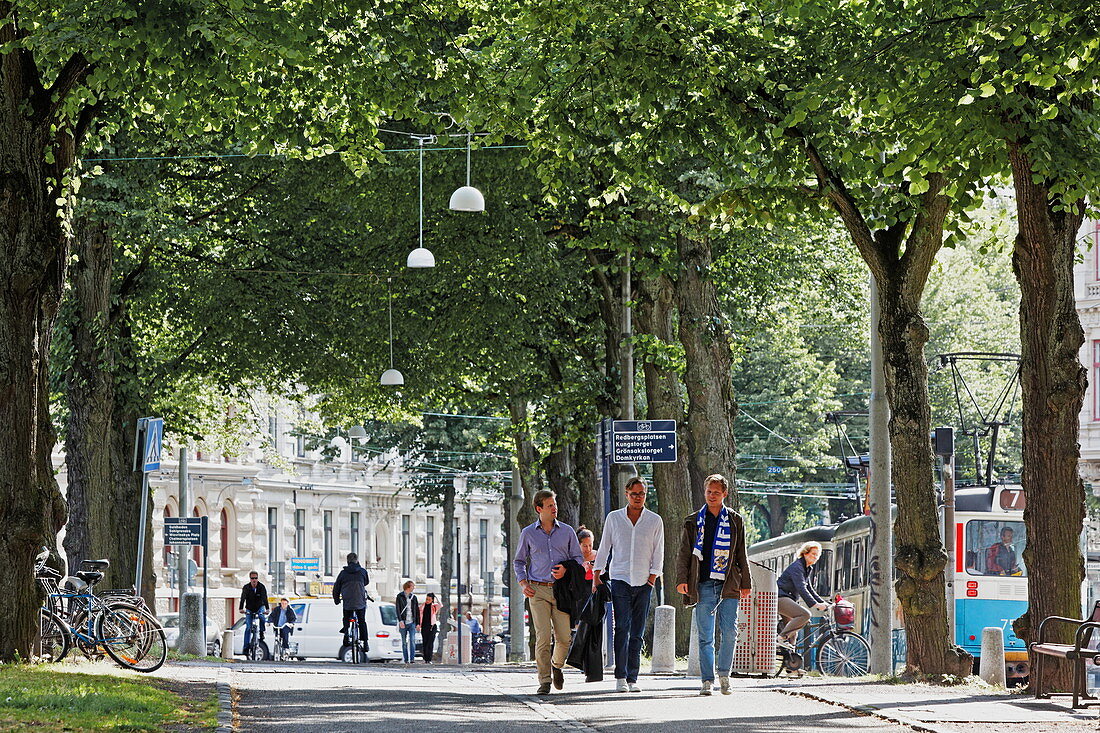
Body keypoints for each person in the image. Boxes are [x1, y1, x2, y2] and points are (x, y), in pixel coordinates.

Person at [675, 474, 751, 697]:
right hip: (703, 584)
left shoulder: (735, 520)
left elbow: (741, 553)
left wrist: (746, 582)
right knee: (705, 635)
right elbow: (684, 554)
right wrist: (681, 580)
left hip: (729, 585)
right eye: (709, 492)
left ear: (725, 494)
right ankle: (707, 680)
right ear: (704, 492)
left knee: (729, 632)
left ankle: (725, 675)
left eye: (716, 492)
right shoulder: (693, 520)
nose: (712, 496)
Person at [593, 476, 664, 693]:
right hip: (620, 578)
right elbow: (604, 546)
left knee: (637, 630)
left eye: (642, 494)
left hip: (644, 581)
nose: (638, 498)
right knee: (621, 627)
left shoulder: (654, 520)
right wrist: (598, 573)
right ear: (627, 494)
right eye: (634, 494)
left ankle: (633, 677)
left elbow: (659, 551)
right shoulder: (614, 518)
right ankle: (620, 676)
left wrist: (653, 577)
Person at [513, 488, 585, 696]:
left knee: (564, 638)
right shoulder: (528, 533)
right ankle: (544, 681)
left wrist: (566, 569)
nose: (555, 508)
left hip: (562, 591)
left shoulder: (567, 531)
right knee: (543, 637)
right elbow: (519, 561)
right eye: (550, 505)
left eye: (555, 504)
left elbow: (579, 559)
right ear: (539, 509)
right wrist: (523, 582)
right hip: (537, 590)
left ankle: (556, 665)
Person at [776, 542, 829, 648]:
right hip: (780, 597)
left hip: (788, 597)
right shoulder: (797, 567)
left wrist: (823, 602)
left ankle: (789, 660)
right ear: (805, 553)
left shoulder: (807, 568)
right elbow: (801, 588)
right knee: (805, 615)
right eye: (813, 554)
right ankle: (780, 638)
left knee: (793, 634)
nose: (815, 557)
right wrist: (815, 605)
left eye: (817, 555)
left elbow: (809, 588)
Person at [332, 552, 370, 652]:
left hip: (348, 601)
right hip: (360, 601)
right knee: (362, 621)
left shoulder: (343, 573)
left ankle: (346, 634)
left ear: (348, 561)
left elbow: (336, 588)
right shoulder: (362, 571)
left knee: (346, 618)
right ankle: (365, 643)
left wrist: (336, 599)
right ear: (357, 560)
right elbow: (366, 582)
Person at [239, 571, 269, 653]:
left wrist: (267, 609)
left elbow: (265, 598)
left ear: (257, 578)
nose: (254, 580)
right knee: (248, 627)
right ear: (250, 579)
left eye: (255, 578)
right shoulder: (246, 587)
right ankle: (246, 647)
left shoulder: (261, 587)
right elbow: (242, 598)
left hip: (260, 606)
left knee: (262, 617)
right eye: (252, 578)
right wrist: (241, 608)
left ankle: (262, 632)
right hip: (250, 608)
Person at [395, 580, 420, 663]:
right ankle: (406, 659)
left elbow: (417, 611)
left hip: (412, 622)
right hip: (403, 622)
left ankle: (412, 659)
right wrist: (400, 621)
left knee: (412, 640)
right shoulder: (400, 596)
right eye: (412, 586)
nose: (414, 588)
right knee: (404, 642)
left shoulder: (414, 597)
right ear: (408, 587)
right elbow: (398, 609)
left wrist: (418, 623)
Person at [420, 593, 441, 663]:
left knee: (430, 643)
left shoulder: (434, 606)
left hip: (432, 627)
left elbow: (440, 604)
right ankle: (425, 659)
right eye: (426, 599)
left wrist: (436, 597)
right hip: (424, 626)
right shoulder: (422, 606)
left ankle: (429, 659)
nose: (427, 601)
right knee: (425, 643)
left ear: (432, 600)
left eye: (429, 599)